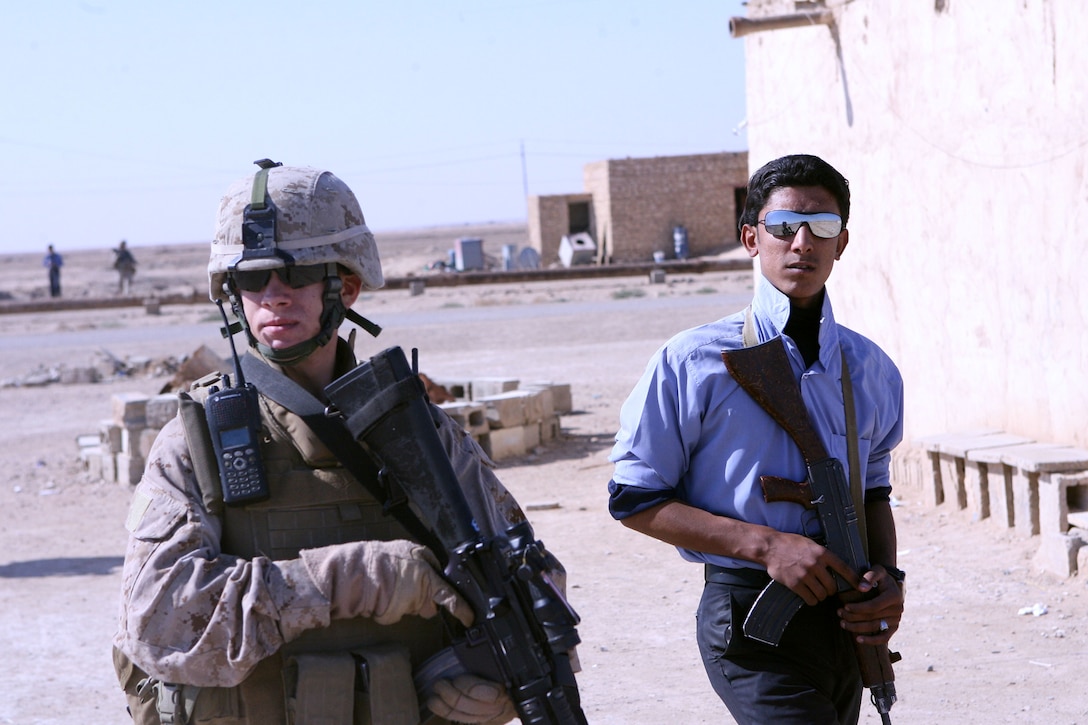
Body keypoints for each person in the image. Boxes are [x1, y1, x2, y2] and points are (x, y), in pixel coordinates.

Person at [112, 162, 561, 724]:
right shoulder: (196, 441)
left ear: (344, 286)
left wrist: (496, 677)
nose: (273, 296)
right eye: (252, 279)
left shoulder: (421, 431)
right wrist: (357, 577)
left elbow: (530, 582)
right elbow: (157, 622)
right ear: (233, 295)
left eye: (296, 274)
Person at [607, 154, 906, 724]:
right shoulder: (694, 361)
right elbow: (634, 499)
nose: (802, 243)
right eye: (783, 226)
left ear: (842, 243)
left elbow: (873, 492)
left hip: (845, 619)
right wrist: (766, 546)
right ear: (751, 237)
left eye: (822, 227)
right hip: (748, 616)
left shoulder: (870, 369)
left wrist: (888, 579)